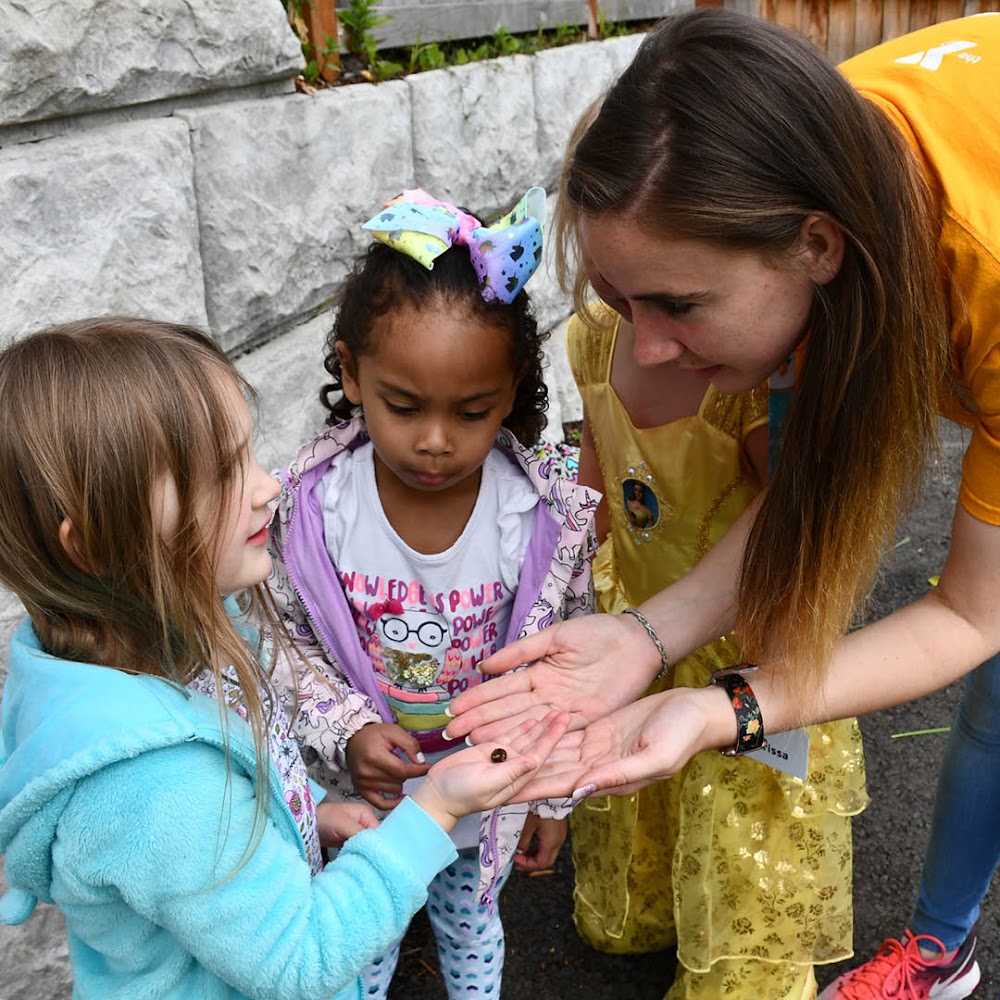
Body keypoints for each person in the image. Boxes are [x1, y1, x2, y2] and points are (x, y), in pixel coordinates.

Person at [443, 10, 1000, 1000]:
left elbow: (970, 612)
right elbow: (815, 489)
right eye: (623, 297)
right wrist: (646, 637)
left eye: (679, 305)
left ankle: (939, 948)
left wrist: (723, 708)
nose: (646, 348)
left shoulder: (977, 286)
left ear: (818, 248)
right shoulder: (817, 163)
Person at [0, 317, 569, 1000]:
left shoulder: (123, 658)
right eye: (220, 473)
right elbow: (302, 961)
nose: (267, 486)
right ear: (97, 543)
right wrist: (437, 808)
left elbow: (215, 851)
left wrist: (302, 821)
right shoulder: (155, 789)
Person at [265, 189, 599, 999]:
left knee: (472, 925)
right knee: (362, 937)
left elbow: (572, 659)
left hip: (485, 788)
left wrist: (556, 794)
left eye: (474, 410)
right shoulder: (317, 509)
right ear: (350, 371)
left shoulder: (538, 517)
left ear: (514, 389)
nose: (436, 440)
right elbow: (284, 644)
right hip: (368, 794)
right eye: (403, 406)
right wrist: (348, 732)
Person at [562, 270, 866, 995]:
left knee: (743, 843)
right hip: (635, 612)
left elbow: (804, 529)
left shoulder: (751, 387)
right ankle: (661, 909)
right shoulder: (593, 339)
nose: (650, 329)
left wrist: (785, 671)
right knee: (655, 786)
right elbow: (598, 483)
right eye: (612, 278)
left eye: (676, 293)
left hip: (748, 656)